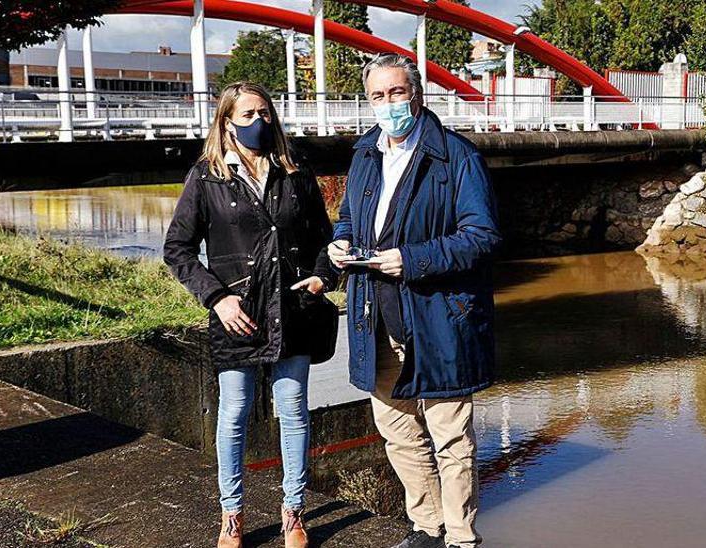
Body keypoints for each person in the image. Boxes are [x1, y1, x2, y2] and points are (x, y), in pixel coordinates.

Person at [327, 53, 501, 548]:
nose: (388, 104)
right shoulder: (365, 155)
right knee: (397, 428)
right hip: (374, 313)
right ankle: (427, 527)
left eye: (397, 93)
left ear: (418, 95)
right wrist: (341, 243)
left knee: (449, 434)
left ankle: (462, 538)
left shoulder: (456, 157)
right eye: (378, 96)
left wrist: (414, 259)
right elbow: (347, 219)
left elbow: (482, 236)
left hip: (439, 313)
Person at [164, 81, 337, 548]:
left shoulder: (294, 169)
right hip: (237, 313)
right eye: (248, 115)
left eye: (265, 112)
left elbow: (326, 236)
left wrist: (322, 277)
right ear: (226, 122)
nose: (259, 122)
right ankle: (232, 514)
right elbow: (177, 249)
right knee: (235, 412)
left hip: (293, 307)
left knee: (293, 411)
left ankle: (293, 512)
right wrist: (217, 298)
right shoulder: (207, 177)